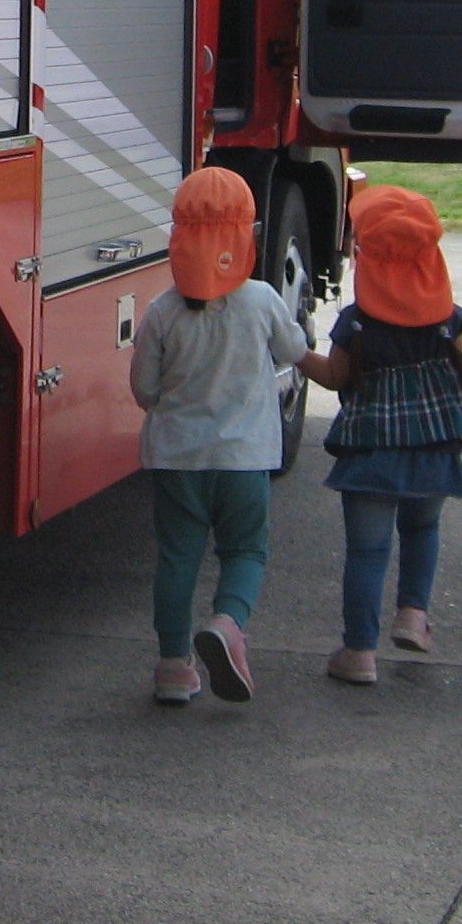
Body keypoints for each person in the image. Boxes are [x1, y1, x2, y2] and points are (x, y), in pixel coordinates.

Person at [133, 167, 311, 706]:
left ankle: (172, 666)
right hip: (244, 459)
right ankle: (228, 623)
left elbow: (143, 391)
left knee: (178, 557)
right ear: (246, 236)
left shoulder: (161, 311)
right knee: (245, 550)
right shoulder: (260, 301)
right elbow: (296, 351)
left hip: (177, 459)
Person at [302, 183, 462, 685]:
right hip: (435, 446)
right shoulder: (447, 320)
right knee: (422, 529)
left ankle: (359, 653)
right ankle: (413, 613)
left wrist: (297, 353)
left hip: (371, 452)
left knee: (367, 551)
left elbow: (337, 378)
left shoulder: (357, 323)